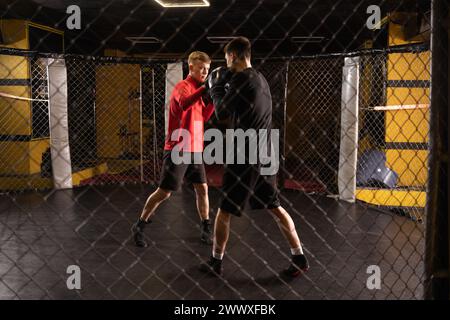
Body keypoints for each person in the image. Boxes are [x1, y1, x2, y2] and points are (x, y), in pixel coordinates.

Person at [200, 37, 309, 278]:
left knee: (225, 210)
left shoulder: (240, 78)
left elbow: (220, 113)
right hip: (265, 152)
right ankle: (299, 256)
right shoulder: (260, 79)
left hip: (245, 153)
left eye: (227, 57)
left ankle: (216, 261)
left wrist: (216, 87)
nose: (226, 62)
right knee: (275, 206)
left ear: (234, 56)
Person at [132, 51, 215, 247]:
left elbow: (202, 117)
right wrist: (205, 90)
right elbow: (185, 104)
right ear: (191, 67)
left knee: (202, 188)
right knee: (165, 192)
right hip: (178, 148)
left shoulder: (198, 91)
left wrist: (210, 100)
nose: (205, 72)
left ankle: (205, 227)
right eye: (201, 68)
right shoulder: (182, 87)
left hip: (194, 148)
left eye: (207, 70)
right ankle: (140, 224)